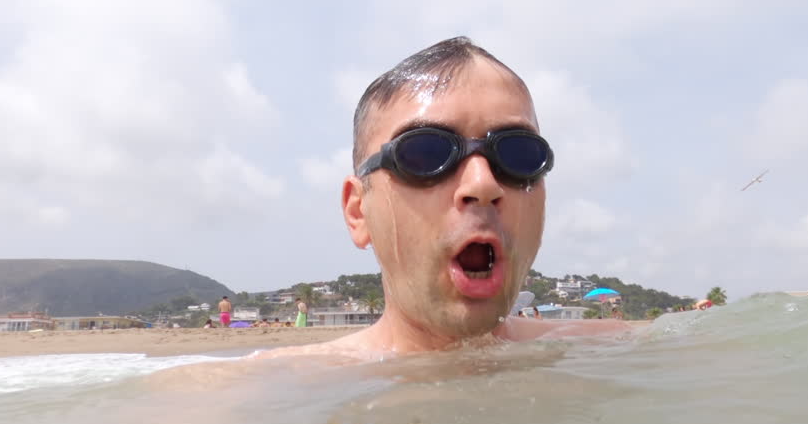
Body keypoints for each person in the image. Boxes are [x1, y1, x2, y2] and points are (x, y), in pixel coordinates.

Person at [157, 36, 627, 380]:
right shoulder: (246, 391)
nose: (483, 184)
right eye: (425, 154)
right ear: (358, 211)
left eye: (518, 156)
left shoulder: (618, 356)